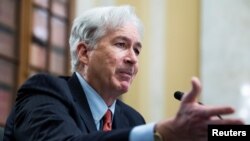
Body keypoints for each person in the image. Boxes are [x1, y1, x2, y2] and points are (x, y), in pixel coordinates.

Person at [3, 5, 243, 141]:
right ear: (85, 53)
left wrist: (227, 133)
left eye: (137, 50)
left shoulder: (131, 119)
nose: (133, 58)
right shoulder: (44, 93)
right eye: (121, 45)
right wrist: (160, 132)